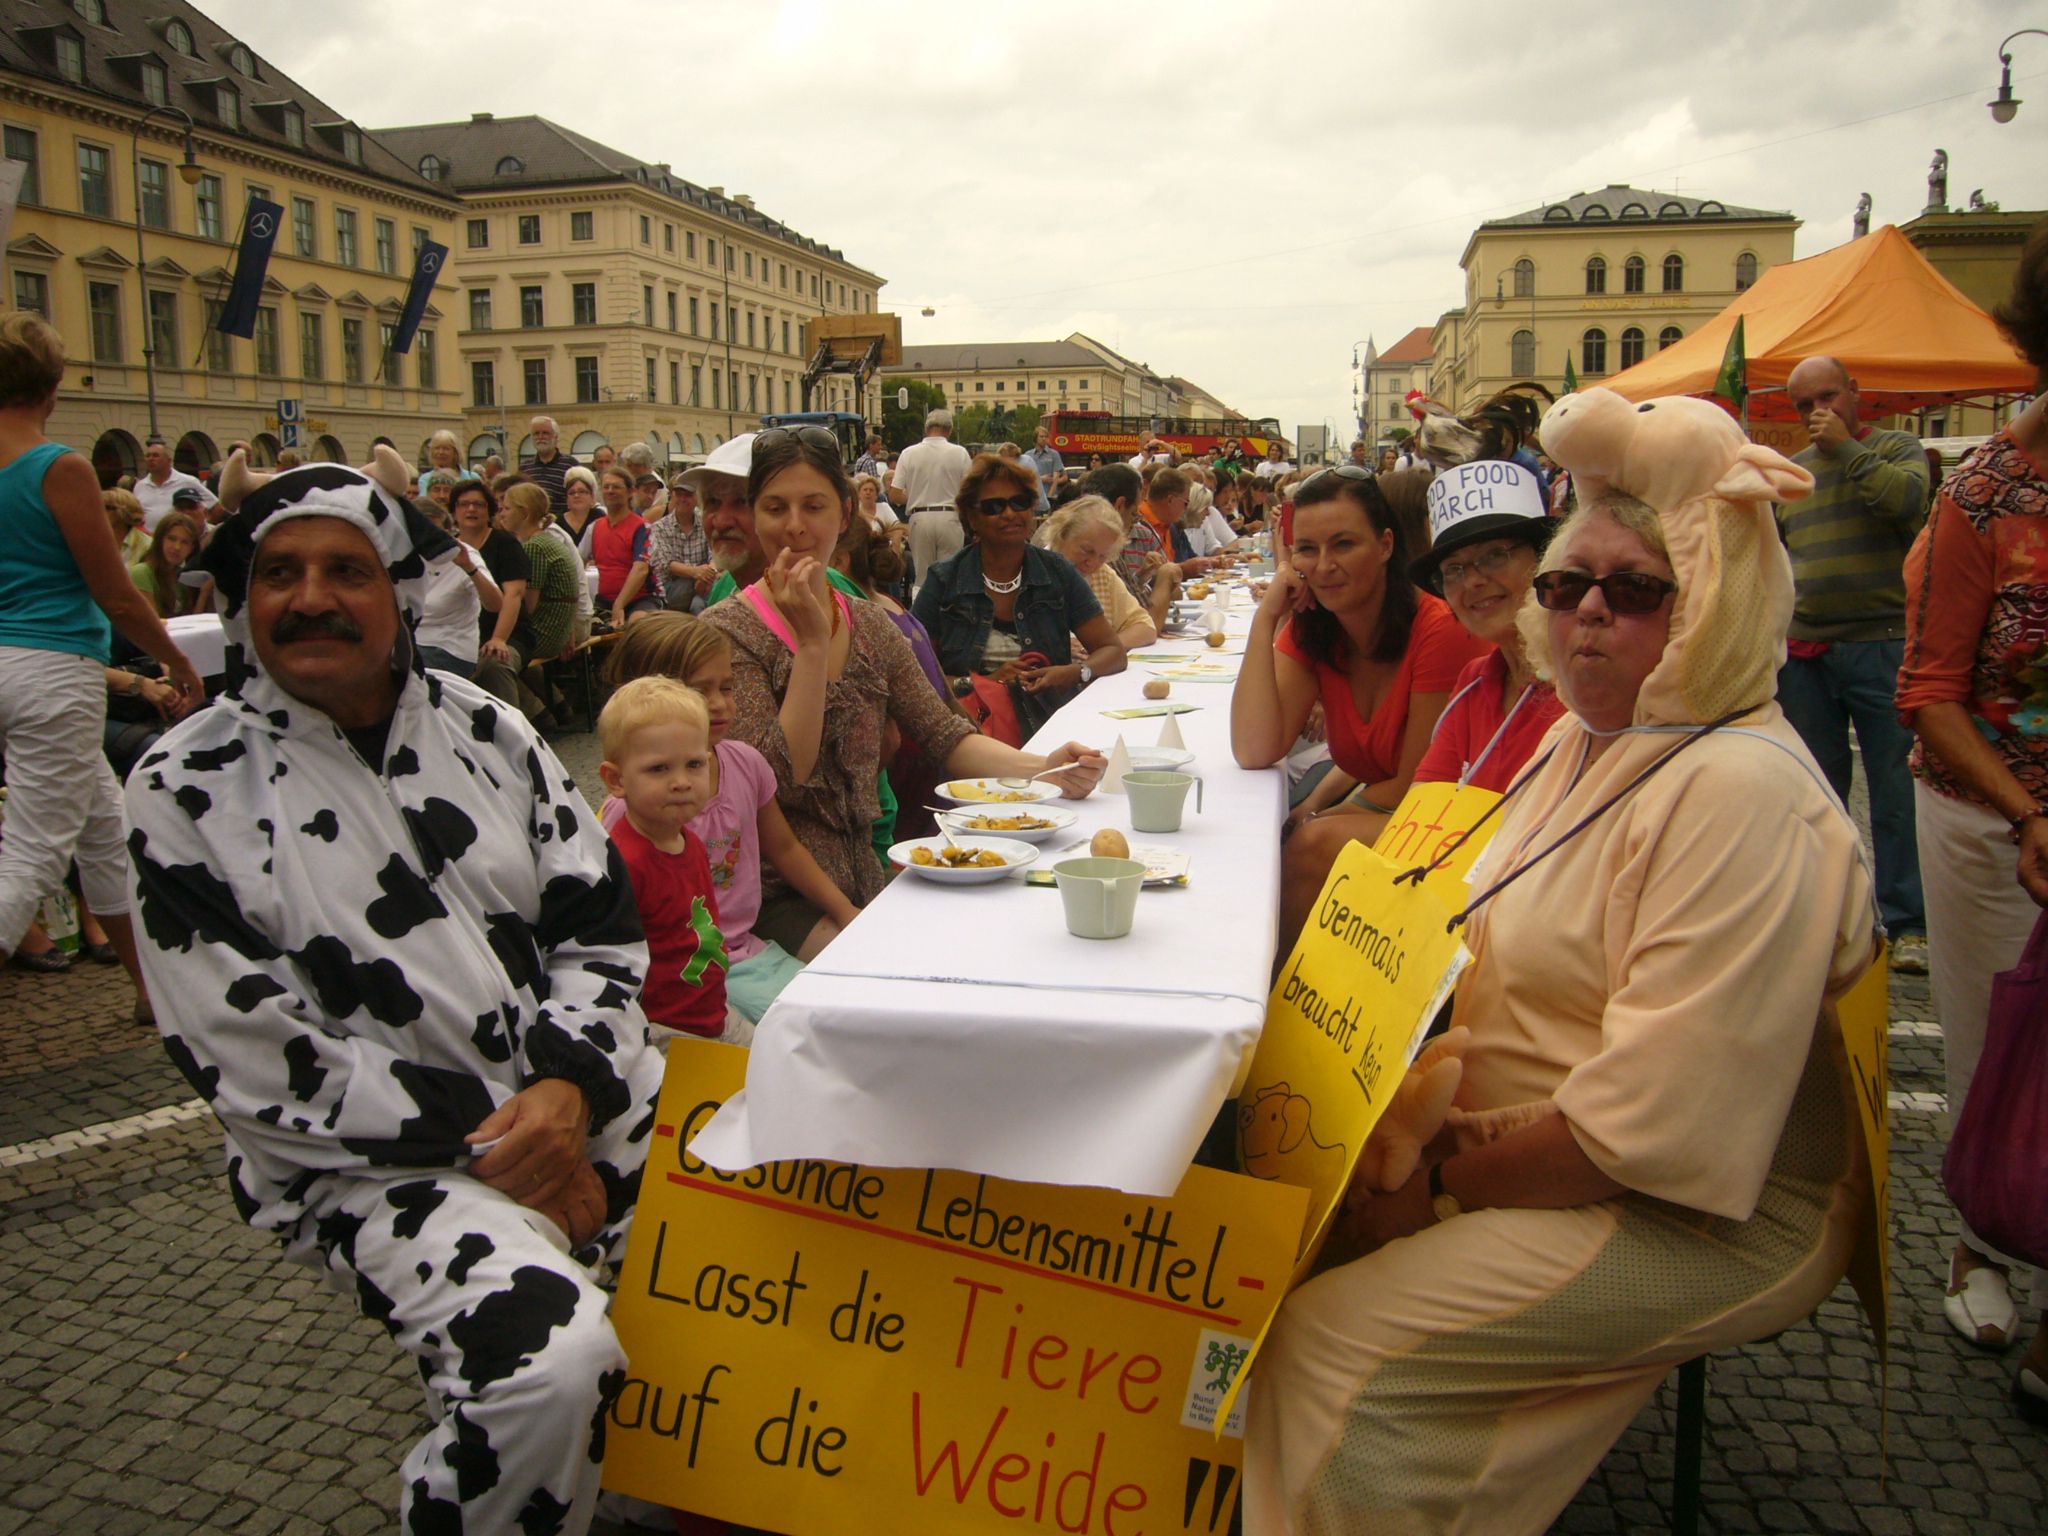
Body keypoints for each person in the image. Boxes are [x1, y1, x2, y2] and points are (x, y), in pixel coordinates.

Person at [1245, 406, 1879, 1536]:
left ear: (1714, 599)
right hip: (1522, 1140)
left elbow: (1645, 1136)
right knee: (1271, 1252)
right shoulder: (1580, 736)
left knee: (1337, 1349)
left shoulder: (1738, 790)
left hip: (1693, 1210)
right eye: (1566, 584)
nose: (1587, 610)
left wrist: (1435, 1188)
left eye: (1634, 590)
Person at [126, 451, 661, 1534]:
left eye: (345, 570)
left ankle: (661, 1488)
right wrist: (508, 1144)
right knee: (546, 1365)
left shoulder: (490, 730)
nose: (310, 598)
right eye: (279, 574)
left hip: (574, 1096)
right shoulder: (182, 790)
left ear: (399, 591)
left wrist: (566, 1091)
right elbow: (254, 1058)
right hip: (368, 1161)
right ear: (244, 599)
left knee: (774, 1195)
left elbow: (598, 926)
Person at [702, 426, 1106, 935]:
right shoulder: (727, 632)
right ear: (756, 516)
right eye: (776, 508)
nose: (795, 526)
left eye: (814, 506)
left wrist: (1045, 768)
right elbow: (780, 778)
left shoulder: (869, 623)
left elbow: (944, 734)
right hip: (773, 895)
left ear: (844, 515)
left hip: (864, 877)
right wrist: (811, 647)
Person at [1896, 218, 2048, 1415]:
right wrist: (2023, 811)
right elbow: (1930, 688)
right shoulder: (1984, 493)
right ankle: (1981, 1241)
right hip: (1992, 818)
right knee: (1992, 1044)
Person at [0, 311, 204, 1022]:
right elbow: (114, 590)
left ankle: (151, 992)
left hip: (9, 665)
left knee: (102, 829)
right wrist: (177, 660)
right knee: (32, 851)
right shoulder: (58, 467)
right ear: (53, 387)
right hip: (53, 669)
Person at [1231, 463, 1487, 948]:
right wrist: (1266, 619)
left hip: (1459, 827)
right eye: (1308, 549)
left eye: (1344, 544)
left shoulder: (1439, 630)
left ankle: (1277, 988)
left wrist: (1319, 817)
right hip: (1397, 813)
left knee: (1305, 846)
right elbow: (1254, 748)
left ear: (1386, 545)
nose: (1324, 565)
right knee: (1265, 842)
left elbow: (1416, 785)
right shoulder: (1317, 627)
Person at [606, 614, 861, 1001]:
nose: (719, 704)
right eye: (699, 691)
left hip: (745, 950)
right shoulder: (633, 809)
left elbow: (785, 849)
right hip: (685, 974)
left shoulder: (745, 764)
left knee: (837, 997)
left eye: (726, 688)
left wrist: (845, 911)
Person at [1776, 354, 1931, 972]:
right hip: (1807, 653)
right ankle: (1829, 919)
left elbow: (1906, 504)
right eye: (1804, 404)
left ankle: (1908, 922)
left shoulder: (1895, 449)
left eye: (1828, 397)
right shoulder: (1794, 473)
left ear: (1854, 392)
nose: (1818, 412)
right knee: (1816, 793)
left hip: (1881, 643)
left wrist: (1846, 448)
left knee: (1894, 790)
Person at [914, 453, 1126, 738]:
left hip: (1047, 725)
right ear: (971, 518)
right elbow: (916, 674)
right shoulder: (944, 580)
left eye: (1020, 502)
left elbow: (1113, 652)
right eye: (994, 506)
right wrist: (984, 683)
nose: (1010, 513)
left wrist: (1075, 673)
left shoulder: (1057, 572)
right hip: (968, 733)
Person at [597, 676, 750, 1044]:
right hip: (664, 1030)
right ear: (616, 780)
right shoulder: (625, 864)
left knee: (774, 1057)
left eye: (694, 764)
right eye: (659, 769)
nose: (681, 781)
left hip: (713, 1010)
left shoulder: (690, 842)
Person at [1407, 460, 1566, 789]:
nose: (1472, 582)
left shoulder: (1580, 686)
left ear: (1543, 559)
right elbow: (1426, 799)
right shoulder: (1474, 682)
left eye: (1494, 555)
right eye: (1454, 569)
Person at [1036, 495, 1160, 654]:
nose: (1093, 563)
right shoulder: (1034, 571)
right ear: (1062, 534)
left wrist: (1102, 647)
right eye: (1087, 551)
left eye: (1103, 556)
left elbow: (1146, 628)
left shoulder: (1103, 575)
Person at [450, 479, 530, 691]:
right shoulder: (448, 547)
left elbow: (514, 595)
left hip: (508, 633)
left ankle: (507, 714)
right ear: (454, 511)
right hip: (461, 634)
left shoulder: (505, 543)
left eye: (479, 504)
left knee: (494, 663)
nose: (471, 509)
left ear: (490, 510)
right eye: (463, 504)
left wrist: (499, 638)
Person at [410, 500, 501, 681]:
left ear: (447, 533)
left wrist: (469, 568)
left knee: (404, 673)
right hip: (410, 642)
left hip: (449, 647)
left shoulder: (465, 555)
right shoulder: (403, 555)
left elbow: (496, 605)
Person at [496, 482, 580, 666]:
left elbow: (528, 607)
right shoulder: (546, 540)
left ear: (524, 513)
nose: (501, 514)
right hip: (557, 632)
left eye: (507, 508)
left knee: (486, 646)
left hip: (543, 636)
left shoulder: (534, 547)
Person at [889, 407, 972, 590]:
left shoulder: (908, 453)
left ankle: (921, 607)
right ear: (950, 430)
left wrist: (914, 496)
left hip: (920, 517)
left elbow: (894, 494)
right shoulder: (960, 453)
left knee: (922, 577)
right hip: (950, 517)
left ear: (926, 429)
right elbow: (970, 492)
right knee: (950, 576)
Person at [589, 467, 654, 628]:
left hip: (640, 599)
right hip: (603, 600)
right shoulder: (595, 527)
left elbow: (640, 569)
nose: (610, 491)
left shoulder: (642, 527)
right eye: (606, 487)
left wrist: (619, 605)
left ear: (630, 492)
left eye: (616, 487)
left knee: (638, 625)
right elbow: (578, 562)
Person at [647, 476, 713, 611]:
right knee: (697, 585)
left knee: (698, 604)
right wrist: (697, 573)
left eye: (688, 495)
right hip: (670, 589)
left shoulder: (706, 523)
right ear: (672, 496)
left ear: (697, 498)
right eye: (678, 494)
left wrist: (707, 574)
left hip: (702, 584)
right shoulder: (659, 527)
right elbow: (667, 564)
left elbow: (715, 555)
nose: (683, 499)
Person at [129, 509, 207, 619]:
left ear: (192, 548)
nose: (177, 547)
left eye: (184, 542)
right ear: (160, 540)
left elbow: (193, 622)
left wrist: (204, 593)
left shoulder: (183, 578)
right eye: (171, 539)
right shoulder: (141, 573)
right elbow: (152, 622)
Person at [134, 436, 216, 530]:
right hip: (149, 538)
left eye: (155, 455)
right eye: (147, 456)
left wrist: (202, 528)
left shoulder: (188, 481)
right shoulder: (139, 486)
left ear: (169, 461)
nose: (151, 459)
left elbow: (215, 506)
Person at [520, 414, 578, 518]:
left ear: (556, 437)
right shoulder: (524, 468)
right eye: (536, 433)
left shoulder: (571, 465)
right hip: (532, 524)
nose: (540, 437)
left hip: (561, 524)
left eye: (545, 433)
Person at [1022, 423, 1066, 513]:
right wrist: (1041, 478)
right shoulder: (1028, 455)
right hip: (1033, 498)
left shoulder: (1054, 454)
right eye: (1041, 436)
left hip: (1050, 496)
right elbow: (1024, 477)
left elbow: (1059, 477)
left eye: (1046, 436)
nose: (1044, 439)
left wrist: (1049, 497)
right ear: (1035, 438)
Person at [104, 485, 149, 564]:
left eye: (106, 507)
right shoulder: (95, 541)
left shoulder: (147, 546)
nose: (99, 511)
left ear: (123, 512)